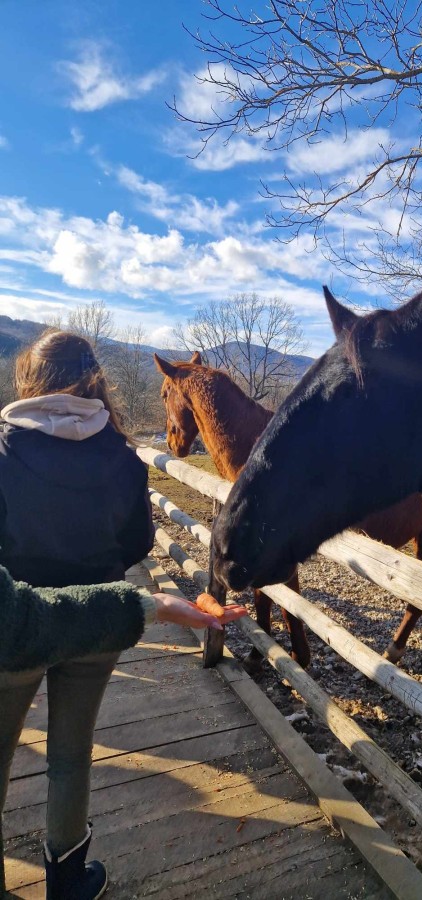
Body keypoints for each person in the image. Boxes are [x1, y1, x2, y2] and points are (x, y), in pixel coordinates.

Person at [0, 328, 197, 899]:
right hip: (99, 621)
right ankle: (66, 877)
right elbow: (137, 543)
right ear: (93, 381)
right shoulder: (122, 457)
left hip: (15, 624)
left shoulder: (4, 448)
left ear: (29, 380)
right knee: (70, 750)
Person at [0, 564, 247, 898]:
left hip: (26, 589)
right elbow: (137, 534)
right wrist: (148, 605)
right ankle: (69, 881)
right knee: (72, 753)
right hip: (96, 611)